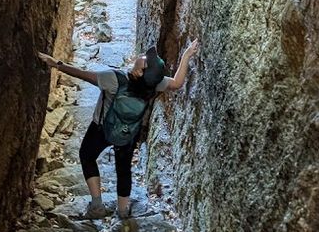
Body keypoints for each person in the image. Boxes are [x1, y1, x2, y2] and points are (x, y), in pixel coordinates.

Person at [37, 40, 199, 219]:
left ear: (139, 71)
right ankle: (123, 211)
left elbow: (83, 75)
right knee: (123, 170)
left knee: (86, 155)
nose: (143, 56)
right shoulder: (154, 85)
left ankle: (97, 205)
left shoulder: (114, 79)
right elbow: (177, 83)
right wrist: (186, 55)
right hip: (129, 133)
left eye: (145, 60)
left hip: (101, 129)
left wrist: (56, 64)